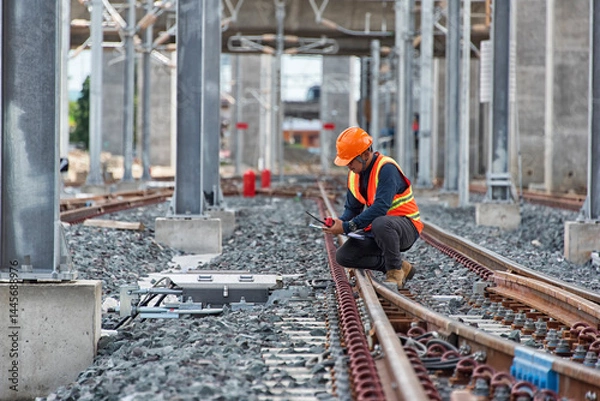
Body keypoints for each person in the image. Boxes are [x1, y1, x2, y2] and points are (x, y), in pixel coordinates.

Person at [322, 126, 423, 288]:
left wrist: (349, 226)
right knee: (344, 256)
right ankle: (402, 266)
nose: (348, 166)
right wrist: (338, 222)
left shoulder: (386, 169)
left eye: (350, 161)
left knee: (381, 223)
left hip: (406, 228)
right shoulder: (355, 175)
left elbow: (380, 208)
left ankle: (395, 273)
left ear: (365, 154)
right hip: (379, 231)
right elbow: (352, 209)